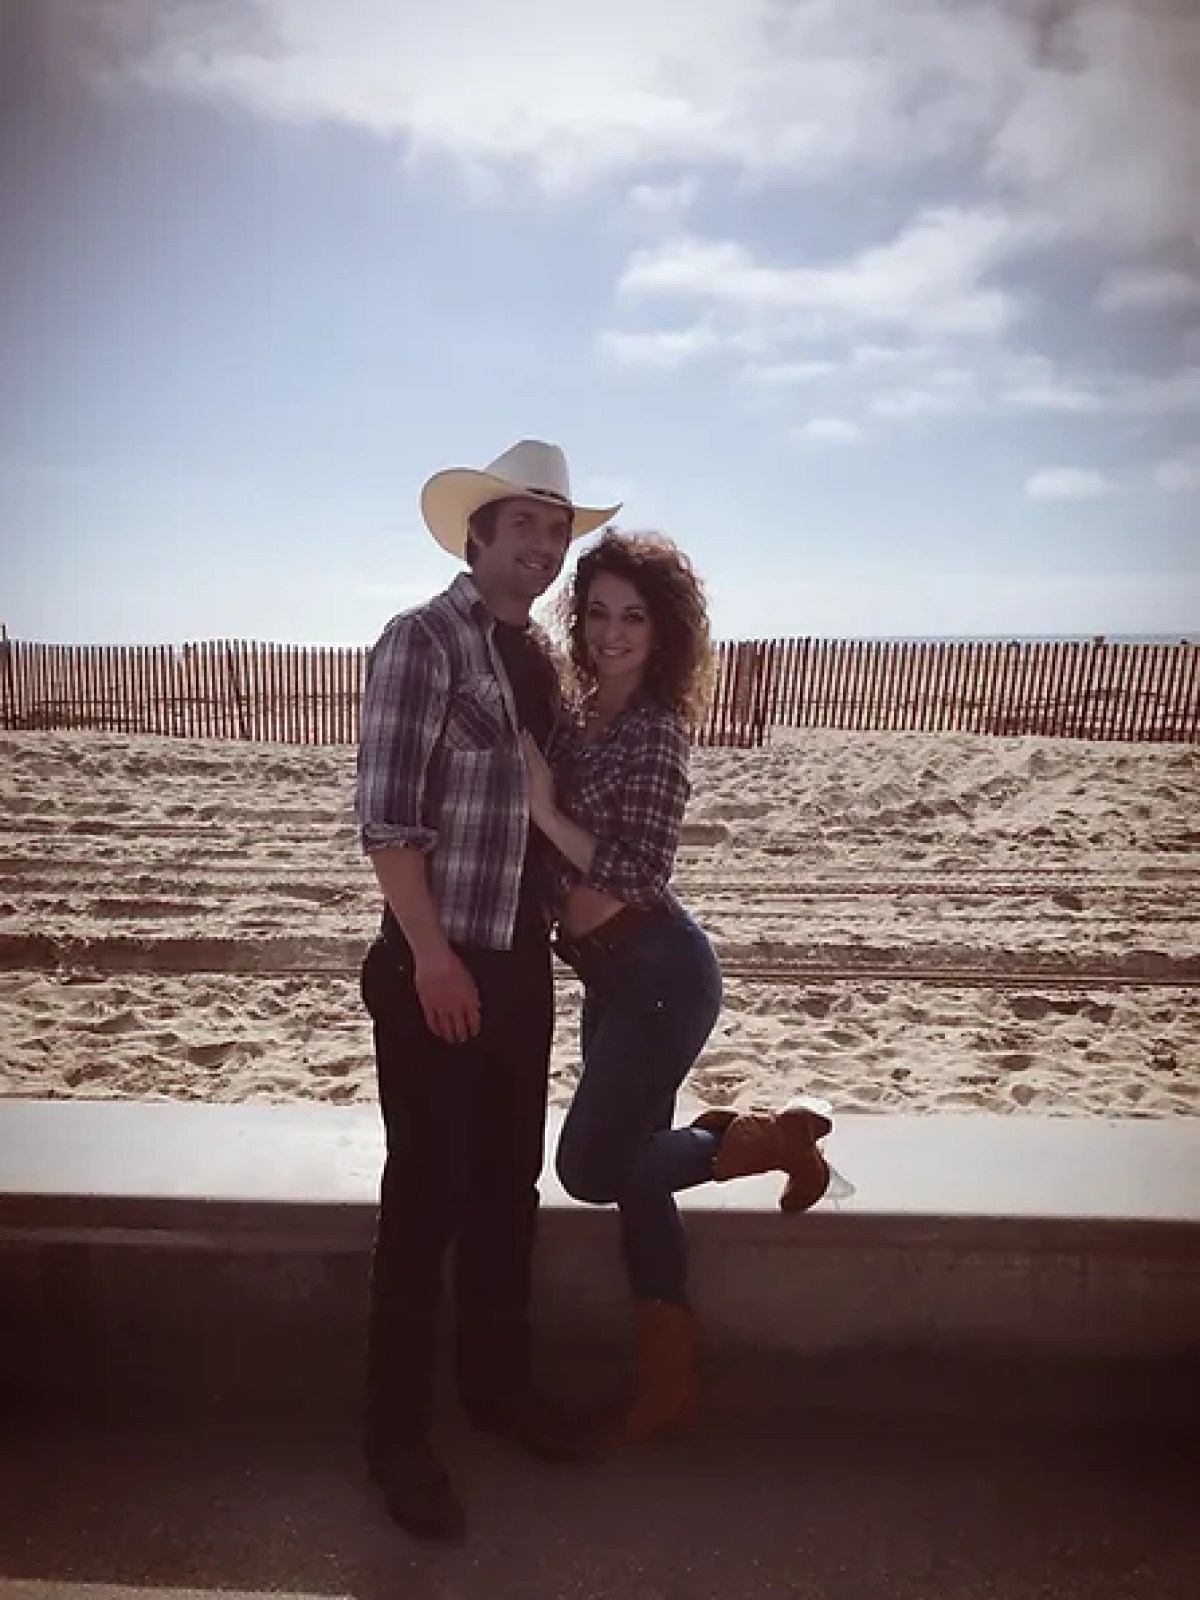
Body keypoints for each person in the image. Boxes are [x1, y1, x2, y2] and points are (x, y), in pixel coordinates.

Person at [356, 440, 621, 1542]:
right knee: (425, 1196)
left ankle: (495, 1389)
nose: (546, 549)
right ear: (479, 536)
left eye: (559, 534)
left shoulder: (536, 669)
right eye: (527, 528)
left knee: (509, 1186)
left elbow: (548, 809)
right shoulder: (422, 641)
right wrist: (431, 957)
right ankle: (394, 1434)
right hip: (439, 960)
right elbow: (387, 817)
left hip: (517, 966)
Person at [521, 531, 834, 1449]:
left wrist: (543, 810)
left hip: (662, 973)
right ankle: (670, 1382)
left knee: (589, 1169)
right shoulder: (575, 719)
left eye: (634, 617)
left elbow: (639, 868)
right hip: (613, 979)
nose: (614, 634)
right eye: (599, 615)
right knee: (640, 1174)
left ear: (664, 634)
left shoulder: (655, 731)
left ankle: (764, 1139)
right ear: (578, 624)